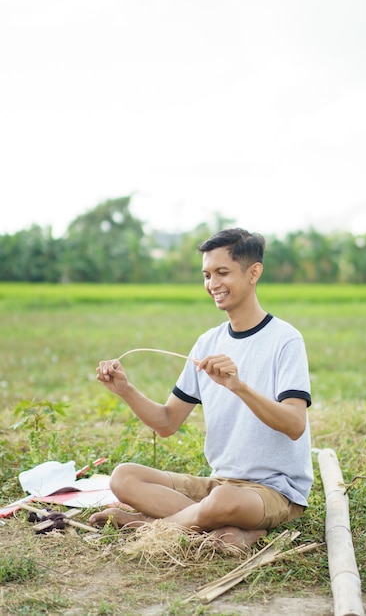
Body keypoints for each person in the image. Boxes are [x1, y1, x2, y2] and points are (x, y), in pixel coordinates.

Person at [89, 228, 313, 549]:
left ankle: (150, 526)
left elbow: (294, 425)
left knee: (224, 501)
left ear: (254, 273)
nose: (213, 285)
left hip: (273, 491)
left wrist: (239, 387)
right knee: (124, 477)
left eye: (222, 273)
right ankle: (224, 531)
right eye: (207, 275)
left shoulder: (285, 340)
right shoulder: (208, 341)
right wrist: (125, 389)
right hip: (218, 485)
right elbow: (167, 422)